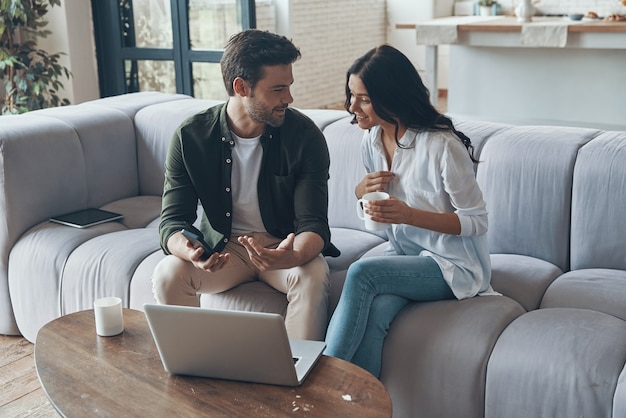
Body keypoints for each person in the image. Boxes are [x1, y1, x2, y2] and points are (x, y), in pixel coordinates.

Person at [152, 29, 339, 342]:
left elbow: (314, 224)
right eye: (278, 89)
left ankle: (296, 377)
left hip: (282, 245)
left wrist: (291, 256)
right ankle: (194, 372)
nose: (289, 99)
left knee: (314, 274)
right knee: (168, 274)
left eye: (289, 87)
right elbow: (172, 222)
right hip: (224, 250)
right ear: (241, 87)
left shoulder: (305, 137)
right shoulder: (191, 137)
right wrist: (193, 252)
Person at [324, 45, 493, 377]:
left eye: (364, 99)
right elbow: (378, 224)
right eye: (351, 96)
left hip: (452, 265)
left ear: (391, 98)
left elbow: (477, 221)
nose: (351, 107)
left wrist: (409, 215)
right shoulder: (371, 140)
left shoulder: (442, 146)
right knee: (377, 312)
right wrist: (362, 193)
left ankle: (318, 384)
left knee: (361, 272)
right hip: (404, 255)